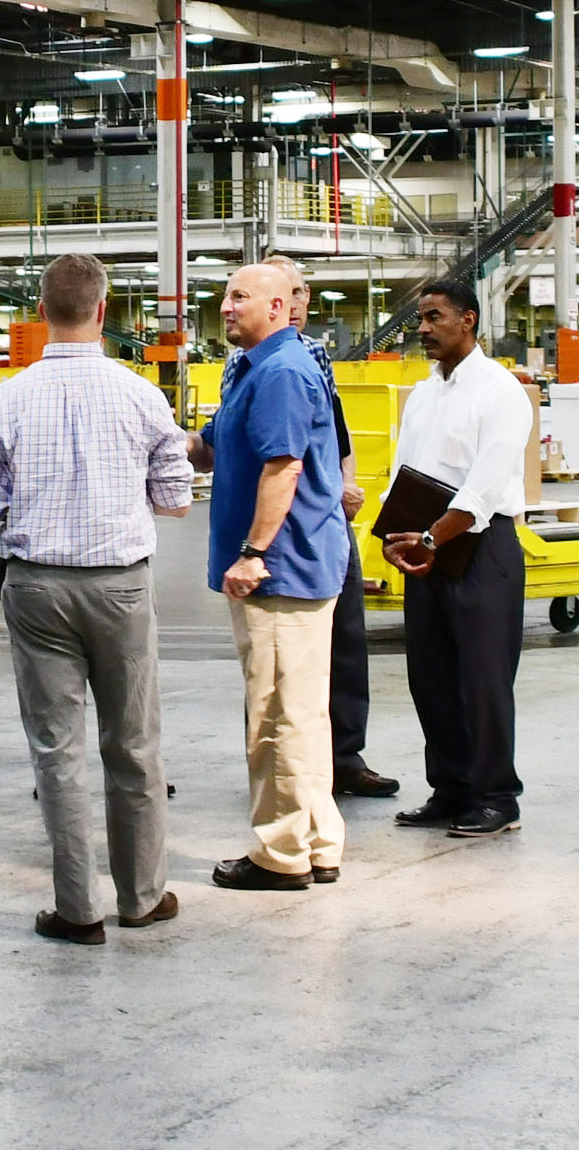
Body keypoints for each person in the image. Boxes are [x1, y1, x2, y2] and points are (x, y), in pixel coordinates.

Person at [0, 253, 193, 943]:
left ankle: (76, 909)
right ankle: (142, 897)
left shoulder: (2, 399)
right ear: (102, 310)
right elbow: (176, 498)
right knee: (135, 744)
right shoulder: (143, 395)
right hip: (119, 587)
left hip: (35, 589)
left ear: (40, 313)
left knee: (56, 752)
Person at [200, 261, 351, 893]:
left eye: (239, 297)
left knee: (275, 715)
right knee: (301, 712)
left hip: (281, 571)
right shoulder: (257, 368)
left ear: (279, 308)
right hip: (291, 566)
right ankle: (316, 841)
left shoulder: (284, 371)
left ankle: (280, 853)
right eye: (226, 295)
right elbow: (209, 445)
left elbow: (284, 468)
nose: (227, 306)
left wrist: (254, 552)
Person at [381, 276, 535, 837]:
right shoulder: (424, 393)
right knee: (431, 676)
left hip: (480, 549)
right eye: (420, 318)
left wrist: (429, 539)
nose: (422, 328)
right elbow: (404, 472)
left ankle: (496, 798)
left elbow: (484, 488)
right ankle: (450, 789)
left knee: (484, 681)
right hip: (426, 550)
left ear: (467, 319)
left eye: (433, 317)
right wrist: (396, 535)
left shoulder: (500, 392)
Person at [259, 256, 397, 801]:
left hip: (327, 522)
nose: (287, 305)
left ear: (304, 298)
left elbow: (336, 434)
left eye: (293, 293)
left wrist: (347, 487)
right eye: (274, 294)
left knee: (346, 641)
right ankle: (290, 763)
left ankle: (344, 757)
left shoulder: (312, 353)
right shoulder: (255, 361)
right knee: (283, 658)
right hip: (286, 529)